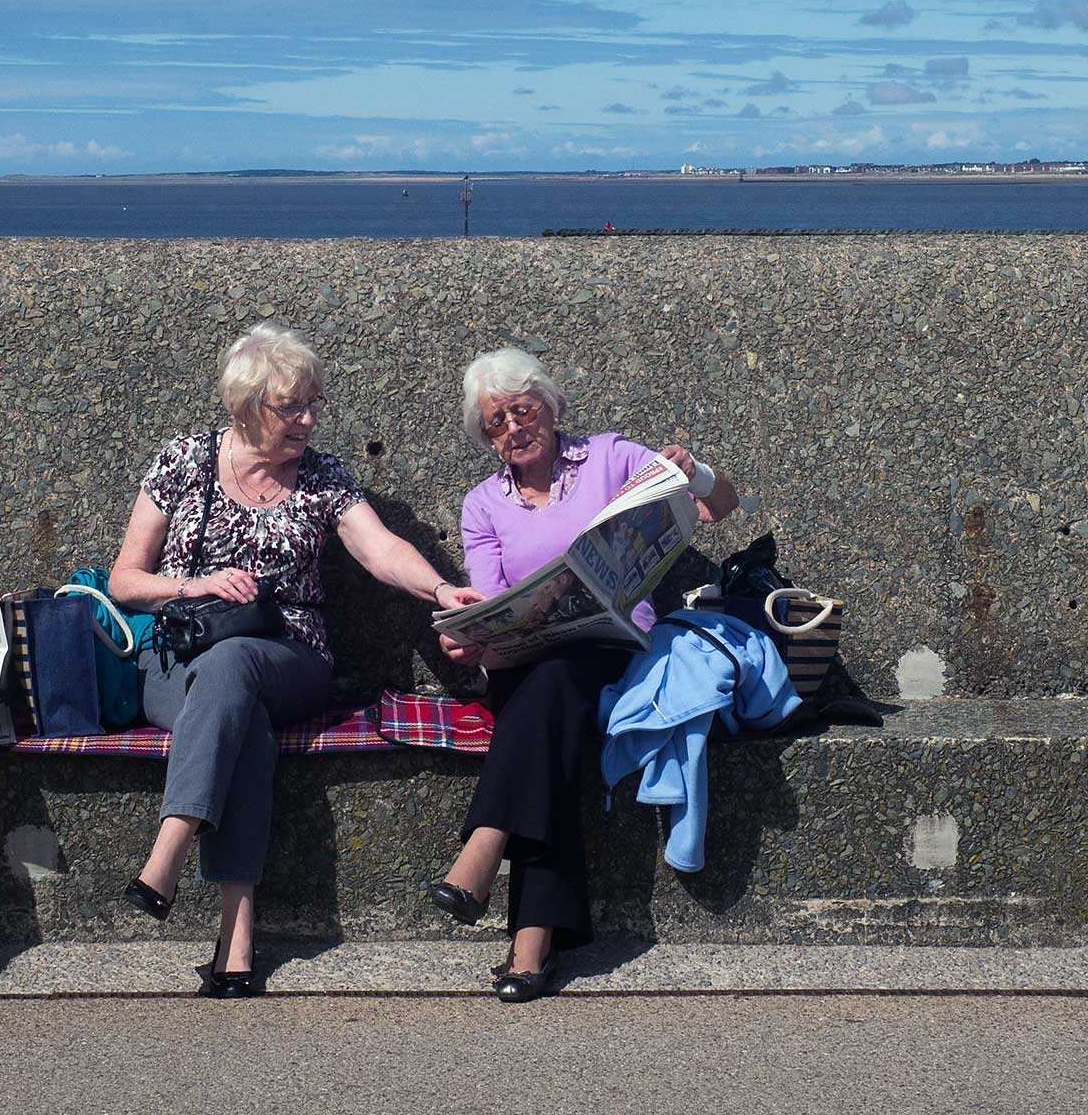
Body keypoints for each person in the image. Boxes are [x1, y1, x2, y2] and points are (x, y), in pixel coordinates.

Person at [108, 321, 484, 997]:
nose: (309, 419)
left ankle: (167, 851)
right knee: (234, 706)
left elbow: (378, 548)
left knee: (239, 673)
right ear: (248, 406)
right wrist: (196, 585)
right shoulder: (184, 461)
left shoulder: (320, 477)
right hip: (180, 661)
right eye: (293, 407)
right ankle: (238, 933)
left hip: (293, 657)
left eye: (316, 403)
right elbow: (124, 581)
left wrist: (437, 588)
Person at [427, 346, 738, 1002]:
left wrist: (696, 470)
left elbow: (720, 507)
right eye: (494, 422)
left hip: (613, 650)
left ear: (550, 404)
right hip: (529, 664)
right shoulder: (482, 504)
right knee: (544, 696)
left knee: (549, 695)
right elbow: (489, 601)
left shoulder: (611, 457)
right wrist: (473, 641)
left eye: (521, 409)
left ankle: (484, 851)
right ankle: (532, 946)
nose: (511, 427)